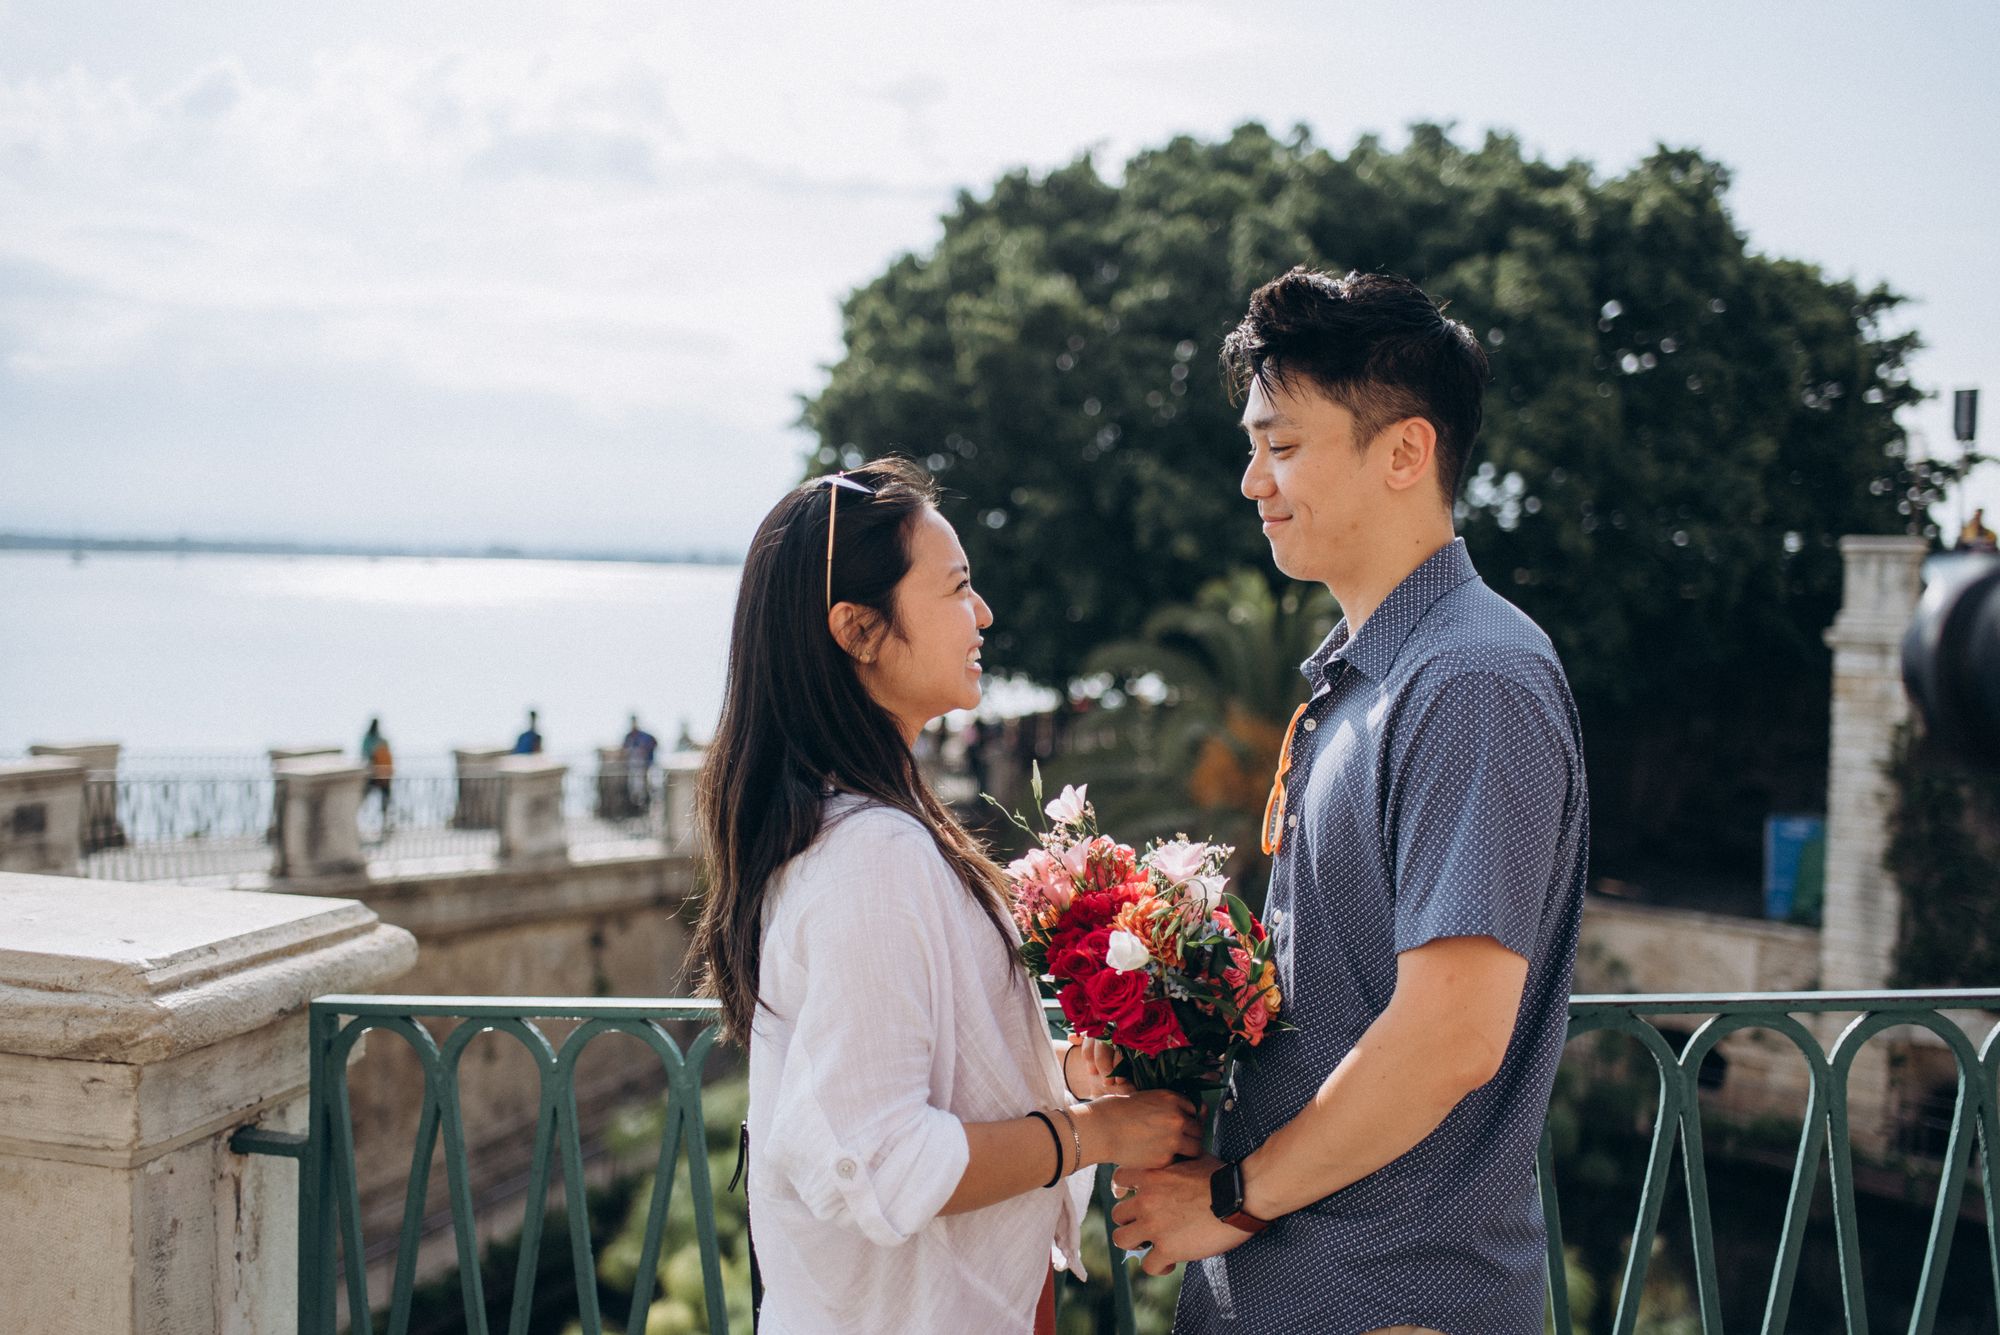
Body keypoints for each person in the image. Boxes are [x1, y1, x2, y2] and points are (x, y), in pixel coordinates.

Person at [1109, 269, 1591, 1335]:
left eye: (1281, 447)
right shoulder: (1376, 672)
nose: (1250, 482)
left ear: (1405, 453)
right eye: (1252, 446)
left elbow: (1448, 1038)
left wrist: (1231, 1198)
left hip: (1387, 1301)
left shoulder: (1468, 680)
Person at [687, 457, 1201, 1335]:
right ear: (858, 629)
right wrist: (1098, 1134)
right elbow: (884, 1160)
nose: (985, 613)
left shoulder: (855, 827)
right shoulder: (871, 855)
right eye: (958, 587)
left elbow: (912, 1078)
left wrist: (1063, 1070)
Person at [359, 717, 393, 826]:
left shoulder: (369, 740)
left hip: (376, 773)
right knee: (382, 797)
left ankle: (384, 821)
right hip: (380, 773)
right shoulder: (381, 740)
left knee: (380, 797)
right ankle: (383, 821)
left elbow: (364, 755)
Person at [622, 714, 659, 811]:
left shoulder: (646, 736)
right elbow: (624, 750)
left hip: (647, 767)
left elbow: (654, 744)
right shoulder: (629, 737)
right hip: (634, 769)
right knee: (635, 788)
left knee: (651, 786)